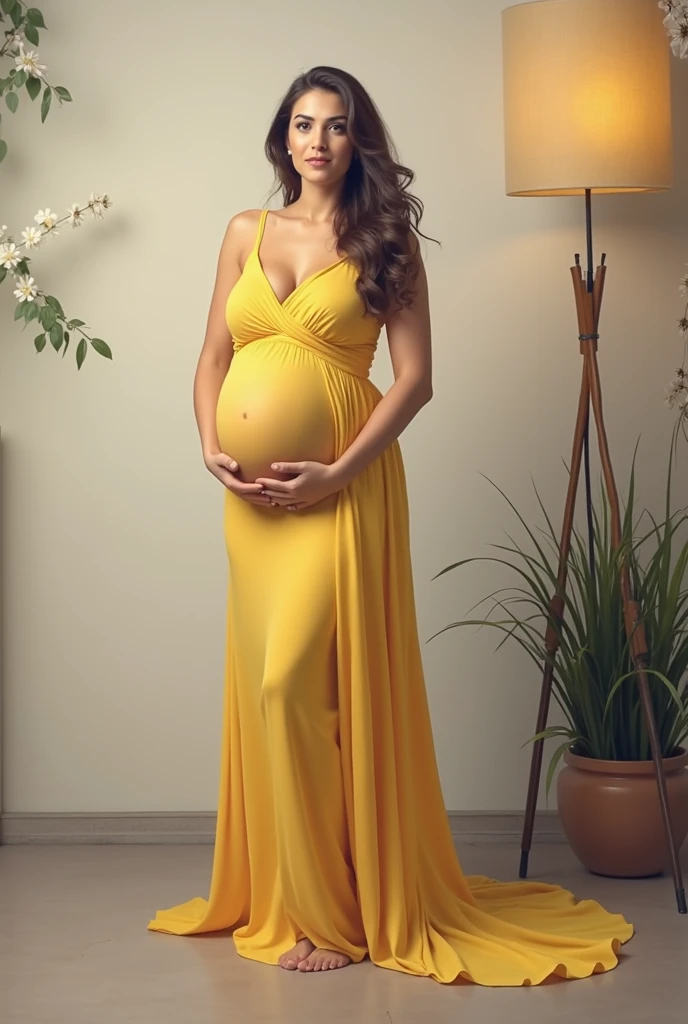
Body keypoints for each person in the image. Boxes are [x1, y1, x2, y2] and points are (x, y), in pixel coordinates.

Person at [147, 65, 633, 985]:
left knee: (299, 686)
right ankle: (296, 890)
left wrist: (336, 471)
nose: (317, 141)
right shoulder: (243, 232)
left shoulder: (384, 238)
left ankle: (333, 920)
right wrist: (212, 444)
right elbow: (212, 357)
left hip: (344, 488)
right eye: (302, 124)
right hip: (250, 509)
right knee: (270, 694)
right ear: (282, 138)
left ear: (356, 139)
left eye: (335, 126)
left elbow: (415, 379)